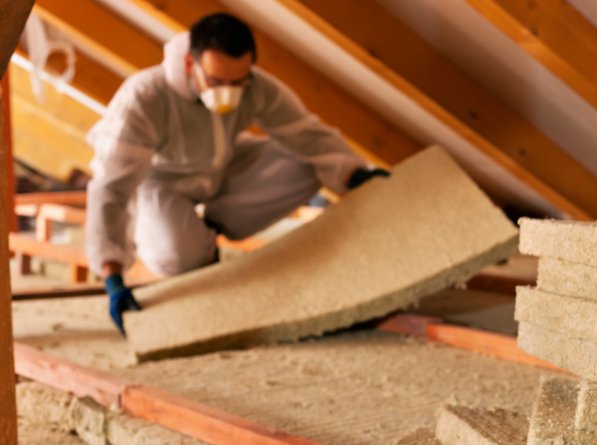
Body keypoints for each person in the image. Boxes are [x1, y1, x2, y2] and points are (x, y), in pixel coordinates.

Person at [86, 13, 386, 335]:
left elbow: (308, 135)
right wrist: (113, 275)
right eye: (215, 82)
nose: (227, 92)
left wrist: (355, 175)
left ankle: (211, 228)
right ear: (190, 62)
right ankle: (196, 247)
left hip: (222, 166)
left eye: (237, 83)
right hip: (160, 182)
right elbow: (111, 187)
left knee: (307, 159)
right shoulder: (145, 96)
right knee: (176, 255)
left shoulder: (257, 87)